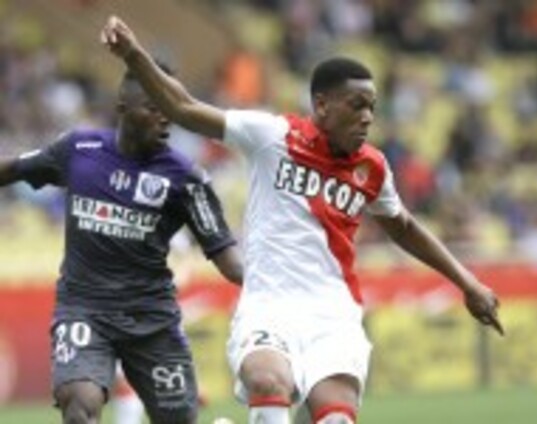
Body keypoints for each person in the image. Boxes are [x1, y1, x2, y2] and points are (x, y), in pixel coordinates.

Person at [101, 15, 504, 424]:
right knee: (268, 381)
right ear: (322, 105)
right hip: (268, 306)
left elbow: (404, 227)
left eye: (372, 107)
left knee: (335, 417)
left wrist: (467, 282)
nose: (367, 117)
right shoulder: (272, 136)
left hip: (333, 314)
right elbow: (184, 107)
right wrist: (133, 54)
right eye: (357, 105)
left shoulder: (373, 168)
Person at [0, 64, 243, 424]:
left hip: (151, 319)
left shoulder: (186, 178)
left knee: (179, 419)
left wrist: (280, 287)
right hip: (84, 310)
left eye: (170, 107)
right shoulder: (79, 150)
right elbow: (14, 169)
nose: (166, 117)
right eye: (154, 107)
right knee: (79, 404)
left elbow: (229, 259)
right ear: (123, 108)